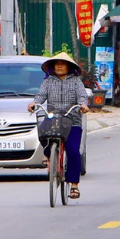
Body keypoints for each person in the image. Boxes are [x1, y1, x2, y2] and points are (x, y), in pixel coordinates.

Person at [29, 52, 90, 200]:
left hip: (72, 120)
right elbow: (40, 96)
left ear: (69, 67)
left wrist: (83, 105)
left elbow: (82, 96)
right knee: (43, 133)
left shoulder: (76, 81)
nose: (60, 66)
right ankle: (49, 156)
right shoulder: (48, 81)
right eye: (57, 64)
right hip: (53, 119)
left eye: (63, 64)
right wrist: (34, 103)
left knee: (73, 151)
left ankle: (74, 185)